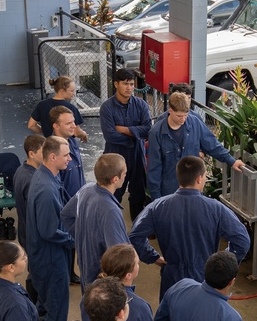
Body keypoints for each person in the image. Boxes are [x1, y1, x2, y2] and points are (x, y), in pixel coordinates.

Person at [129, 155, 251, 302]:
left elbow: (135, 236)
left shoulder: (157, 207)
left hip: (172, 278)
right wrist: (222, 265)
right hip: (204, 278)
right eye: (205, 176)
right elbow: (242, 240)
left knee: (171, 318)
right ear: (199, 178)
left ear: (179, 177)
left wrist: (154, 258)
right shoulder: (216, 209)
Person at [27, 136, 75, 321]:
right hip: (50, 256)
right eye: (66, 155)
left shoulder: (47, 177)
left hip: (47, 254)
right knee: (53, 305)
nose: (70, 158)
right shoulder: (46, 189)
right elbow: (48, 231)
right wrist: (73, 240)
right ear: (53, 157)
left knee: (52, 303)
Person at [147, 91, 243, 201]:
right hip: (169, 192)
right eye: (179, 116)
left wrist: (232, 161)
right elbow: (154, 169)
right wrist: (157, 200)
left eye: (185, 115)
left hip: (194, 189)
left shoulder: (195, 123)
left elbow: (213, 145)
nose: (183, 119)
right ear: (170, 111)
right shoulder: (156, 133)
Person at [79, 243, 162, 321]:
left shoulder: (91, 295)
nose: (139, 266)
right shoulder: (139, 308)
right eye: (137, 263)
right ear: (128, 275)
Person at [61, 153, 130, 292]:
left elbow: (66, 215)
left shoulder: (86, 189)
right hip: (102, 280)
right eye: (124, 173)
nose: (125, 176)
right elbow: (118, 255)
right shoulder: (110, 210)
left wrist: (82, 238)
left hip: (85, 265)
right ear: (115, 179)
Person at [99, 68, 152, 220]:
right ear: (116, 84)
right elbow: (110, 136)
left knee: (138, 195)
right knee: (113, 195)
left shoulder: (141, 105)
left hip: (136, 157)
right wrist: (136, 135)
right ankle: (109, 226)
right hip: (114, 157)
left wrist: (125, 129)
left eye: (131, 84)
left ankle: (136, 231)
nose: (129, 87)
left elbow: (148, 129)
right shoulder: (107, 107)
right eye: (125, 84)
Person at [14, 133, 45, 301]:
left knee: (35, 270)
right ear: (31, 153)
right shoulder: (32, 179)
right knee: (37, 273)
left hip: (25, 231)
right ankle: (35, 308)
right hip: (33, 235)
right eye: (43, 151)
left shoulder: (21, 170)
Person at [48, 104, 87, 202]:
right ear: (56, 126)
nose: (74, 126)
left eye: (73, 121)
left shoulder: (73, 142)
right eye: (69, 123)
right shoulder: (51, 152)